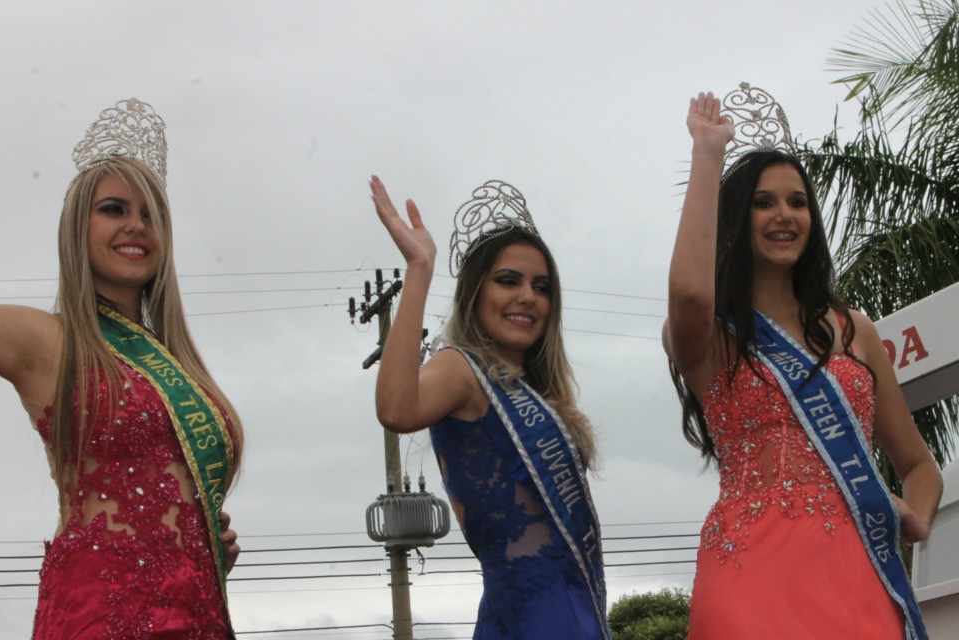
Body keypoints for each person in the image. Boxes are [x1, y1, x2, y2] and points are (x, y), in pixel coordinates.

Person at [663, 86, 943, 639]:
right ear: (737, 217)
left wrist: (916, 516)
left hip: (858, 570)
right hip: (750, 571)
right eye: (764, 202)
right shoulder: (711, 337)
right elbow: (691, 293)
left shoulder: (852, 329)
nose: (784, 214)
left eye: (797, 201)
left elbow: (920, 467)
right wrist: (708, 154)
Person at [0, 98, 244, 639]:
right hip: (99, 617)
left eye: (149, 215)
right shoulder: (45, 338)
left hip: (198, 617)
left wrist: (199, 536)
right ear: (76, 226)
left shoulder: (178, 363)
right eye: (114, 209)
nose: (136, 226)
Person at [370, 176, 611, 640]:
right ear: (475, 292)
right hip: (528, 619)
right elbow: (396, 410)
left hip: (579, 612)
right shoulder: (460, 369)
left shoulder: (541, 396)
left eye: (541, 287)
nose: (527, 296)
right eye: (508, 281)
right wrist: (419, 268)